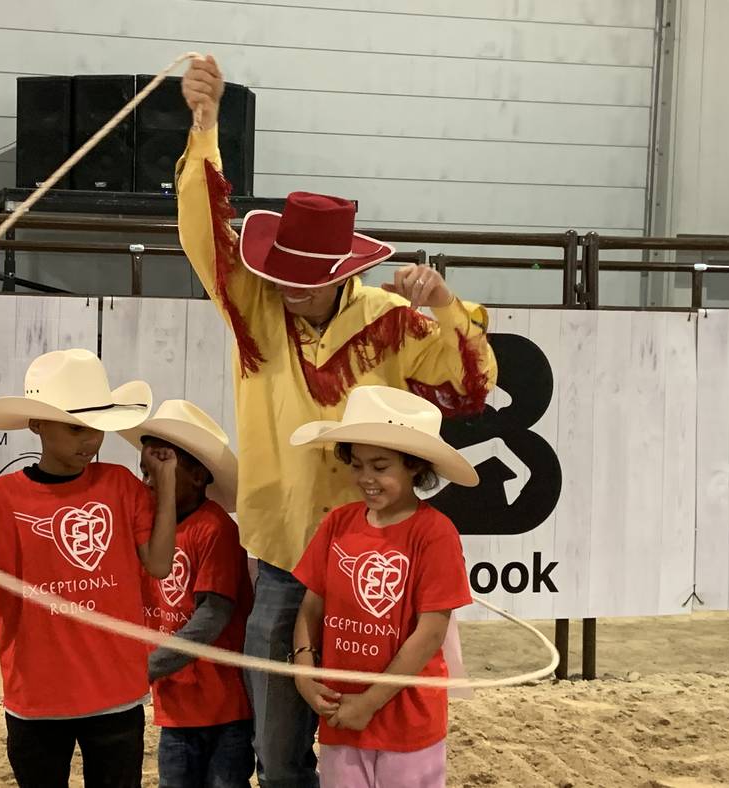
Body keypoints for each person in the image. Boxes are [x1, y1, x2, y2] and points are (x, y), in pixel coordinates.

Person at [177, 55, 498, 786]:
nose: (288, 291)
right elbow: (205, 234)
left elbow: (470, 381)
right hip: (289, 554)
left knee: (378, 738)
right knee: (279, 751)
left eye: (304, 280)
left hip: (373, 551)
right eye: (281, 275)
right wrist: (204, 127)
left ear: (339, 274)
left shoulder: (391, 323)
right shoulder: (255, 304)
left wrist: (446, 306)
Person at [0, 348, 178, 788]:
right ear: (37, 425)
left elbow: (158, 565)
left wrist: (169, 481)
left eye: (96, 428)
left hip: (115, 693)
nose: (91, 440)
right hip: (36, 698)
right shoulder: (1, 499)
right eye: (77, 427)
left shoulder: (121, 485)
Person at [291, 386, 477, 787]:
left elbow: (430, 634)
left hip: (406, 721)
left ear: (414, 465)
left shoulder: (434, 533)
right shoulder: (338, 523)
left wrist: (370, 703)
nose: (365, 479)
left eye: (380, 466)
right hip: (342, 711)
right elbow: (311, 606)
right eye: (357, 465)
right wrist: (304, 671)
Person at [121, 399, 255, 787]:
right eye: (146, 473)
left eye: (163, 472)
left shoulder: (214, 529)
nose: (150, 483)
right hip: (176, 705)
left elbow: (212, 615)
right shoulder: (148, 534)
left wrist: (144, 667)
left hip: (224, 705)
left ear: (198, 476)